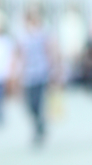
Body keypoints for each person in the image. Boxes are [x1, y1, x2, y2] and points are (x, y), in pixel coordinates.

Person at [16, 9, 56, 147]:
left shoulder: (42, 34)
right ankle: (38, 125)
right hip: (27, 75)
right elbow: (19, 55)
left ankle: (39, 129)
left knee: (38, 103)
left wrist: (53, 70)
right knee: (30, 105)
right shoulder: (22, 36)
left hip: (40, 73)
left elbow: (49, 51)